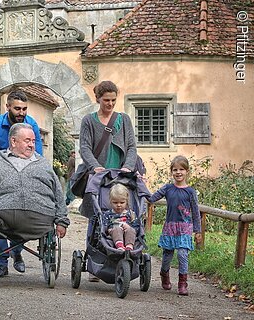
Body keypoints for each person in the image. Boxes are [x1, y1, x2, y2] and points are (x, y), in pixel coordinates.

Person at [0, 123, 69, 277]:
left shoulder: (44, 164)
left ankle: (18, 256)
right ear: (13, 141)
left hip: (40, 219)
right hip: (2, 219)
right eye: (27, 140)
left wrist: (62, 221)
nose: (31, 144)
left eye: (33, 141)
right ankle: (0, 262)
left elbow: (58, 195)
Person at [79, 80, 137, 281]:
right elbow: (85, 147)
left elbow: (131, 147)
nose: (110, 104)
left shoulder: (124, 119)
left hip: (120, 176)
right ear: (98, 99)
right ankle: (96, 263)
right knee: (96, 217)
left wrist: (128, 166)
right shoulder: (89, 121)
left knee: (123, 216)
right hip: (98, 176)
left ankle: (123, 255)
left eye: (113, 100)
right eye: (106, 100)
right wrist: (94, 166)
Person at [0, 90, 43, 277]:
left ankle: (17, 251)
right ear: (7, 107)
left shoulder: (31, 125)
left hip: (24, 174)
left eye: (24, 109)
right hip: (1, 174)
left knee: (24, 207)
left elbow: (37, 154)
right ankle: (1, 260)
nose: (21, 113)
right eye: (17, 108)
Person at [149, 155, 201, 296]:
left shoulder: (190, 191)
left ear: (187, 171)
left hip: (185, 227)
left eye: (182, 169)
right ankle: (164, 274)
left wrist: (198, 230)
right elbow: (152, 198)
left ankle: (182, 284)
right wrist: (141, 186)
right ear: (171, 171)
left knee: (183, 255)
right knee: (167, 255)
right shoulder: (168, 188)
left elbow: (196, 211)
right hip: (170, 227)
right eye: (175, 170)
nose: (178, 172)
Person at [103, 183, 137, 251]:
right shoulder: (108, 214)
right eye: (115, 203)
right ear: (110, 202)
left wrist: (129, 227)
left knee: (131, 230)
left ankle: (129, 247)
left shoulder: (131, 214)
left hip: (128, 234)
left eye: (122, 202)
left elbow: (137, 227)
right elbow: (104, 226)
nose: (118, 205)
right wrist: (109, 229)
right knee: (117, 229)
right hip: (114, 234)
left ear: (126, 202)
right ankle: (120, 246)